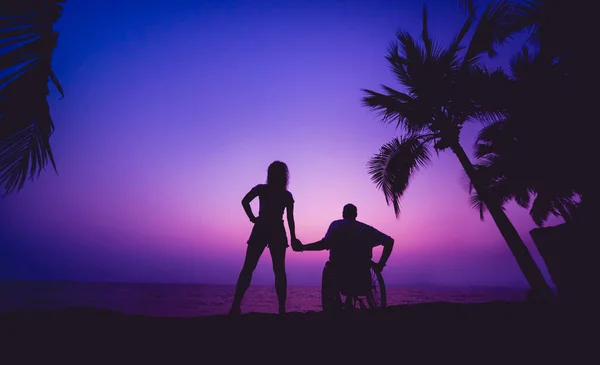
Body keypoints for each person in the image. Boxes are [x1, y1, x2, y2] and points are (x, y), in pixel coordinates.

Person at [229, 161, 301, 315]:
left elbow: (244, 201)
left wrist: (253, 218)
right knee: (279, 271)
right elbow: (290, 219)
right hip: (276, 230)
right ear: (284, 175)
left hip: (261, 228)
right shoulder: (286, 195)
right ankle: (282, 309)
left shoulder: (262, 189)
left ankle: (235, 306)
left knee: (248, 268)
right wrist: (293, 238)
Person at [294, 203, 394, 300]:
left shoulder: (337, 225)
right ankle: (349, 299)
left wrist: (303, 247)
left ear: (343, 214)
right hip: (362, 276)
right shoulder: (366, 229)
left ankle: (335, 304)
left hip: (339, 272)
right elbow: (389, 241)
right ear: (356, 215)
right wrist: (380, 264)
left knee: (330, 266)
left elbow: (324, 244)